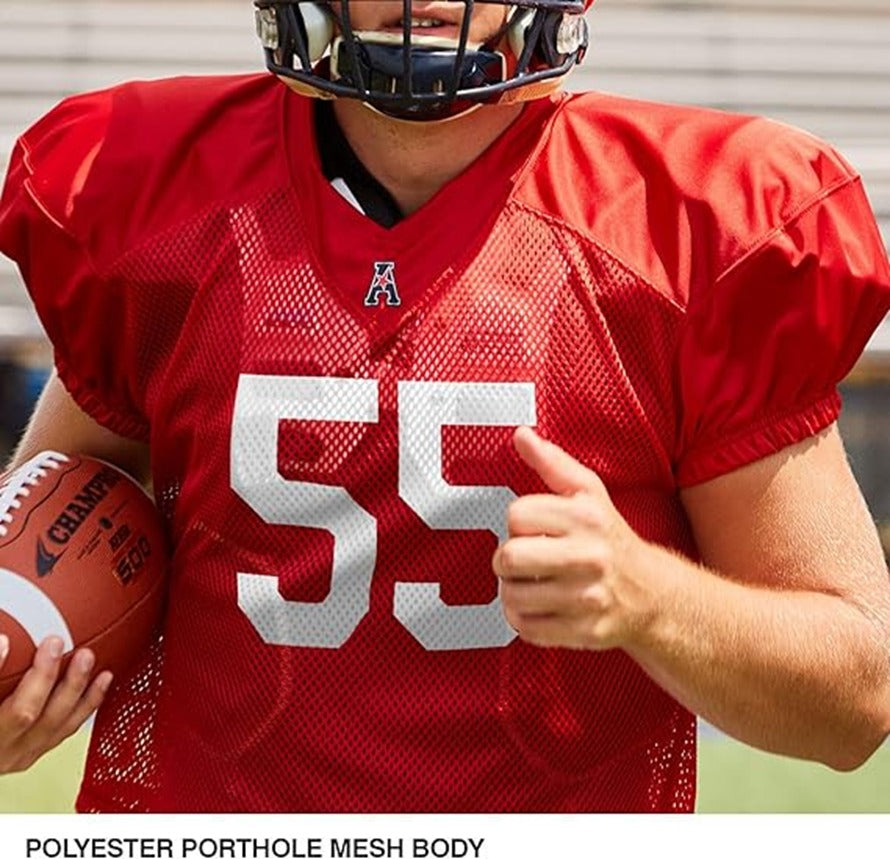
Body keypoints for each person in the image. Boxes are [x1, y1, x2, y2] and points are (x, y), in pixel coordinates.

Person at [0, 0, 888, 813]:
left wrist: (654, 601)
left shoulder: (686, 228)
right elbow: (66, 509)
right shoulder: (156, 194)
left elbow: (857, 701)